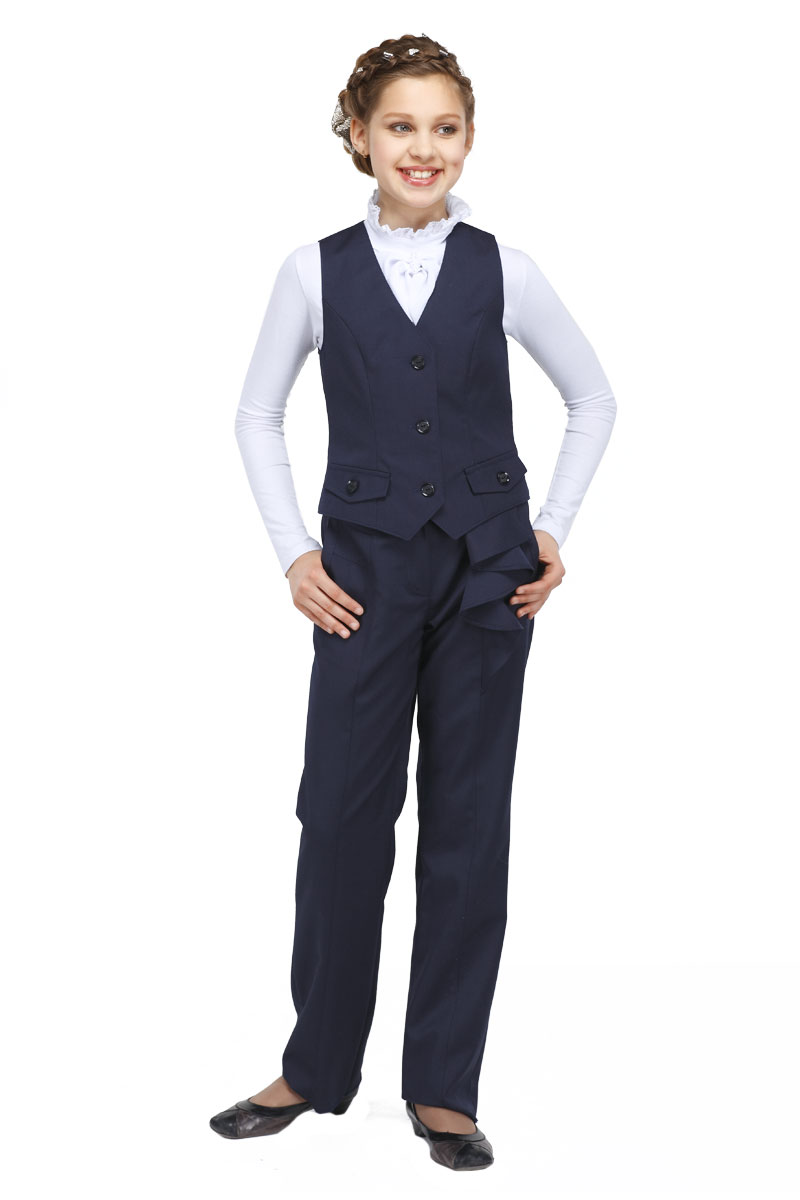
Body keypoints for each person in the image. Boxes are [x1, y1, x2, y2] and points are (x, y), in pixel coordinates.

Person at [210, 32, 617, 1172]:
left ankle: (442, 1086)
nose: (422, 147)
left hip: (489, 573)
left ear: (469, 139)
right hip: (362, 579)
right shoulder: (312, 271)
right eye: (400, 125)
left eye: (444, 127)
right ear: (359, 135)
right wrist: (294, 555)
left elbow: (592, 397)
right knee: (340, 816)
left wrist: (553, 527)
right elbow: (255, 414)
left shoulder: (506, 269)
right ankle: (315, 1067)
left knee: (467, 826)